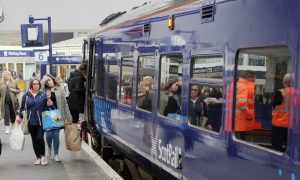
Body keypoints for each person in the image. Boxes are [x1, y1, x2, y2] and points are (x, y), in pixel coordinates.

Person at [17, 78, 50, 165]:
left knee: (39, 138)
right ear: (31, 85)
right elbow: (22, 108)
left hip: (41, 121)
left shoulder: (43, 94)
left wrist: (49, 99)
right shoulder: (26, 96)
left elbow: (49, 106)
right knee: (34, 140)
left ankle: (43, 156)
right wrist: (20, 118)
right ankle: (38, 157)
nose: (36, 85)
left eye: (38, 84)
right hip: (30, 121)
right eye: (35, 84)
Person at [41, 74, 72, 162]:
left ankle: (56, 154)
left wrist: (69, 116)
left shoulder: (60, 88)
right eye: (47, 81)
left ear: (53, 79)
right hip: (47, 115)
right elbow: (39, 88)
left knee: (56, 135)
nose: (49, 82)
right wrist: (44, 80)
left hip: (57, 114)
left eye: (50, 80)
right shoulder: (43, 90)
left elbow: (65, 103)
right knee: (49, 134)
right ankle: (49, 148)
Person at [272, 73, 291, 152]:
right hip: (293, 126)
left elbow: (274, 104)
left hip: (279, 125)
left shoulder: (280, 92)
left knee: (276, 149)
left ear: (284, 82)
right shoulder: (298, 93)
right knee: (290, 148)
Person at [235, 70, 257, 140]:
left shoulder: (237, 84)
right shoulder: (243, 87)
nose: (254, 81)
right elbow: (242, 105)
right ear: (249, 78)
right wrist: (249, 114)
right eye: (254, 79)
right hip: (239, 122)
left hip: (234, 121)